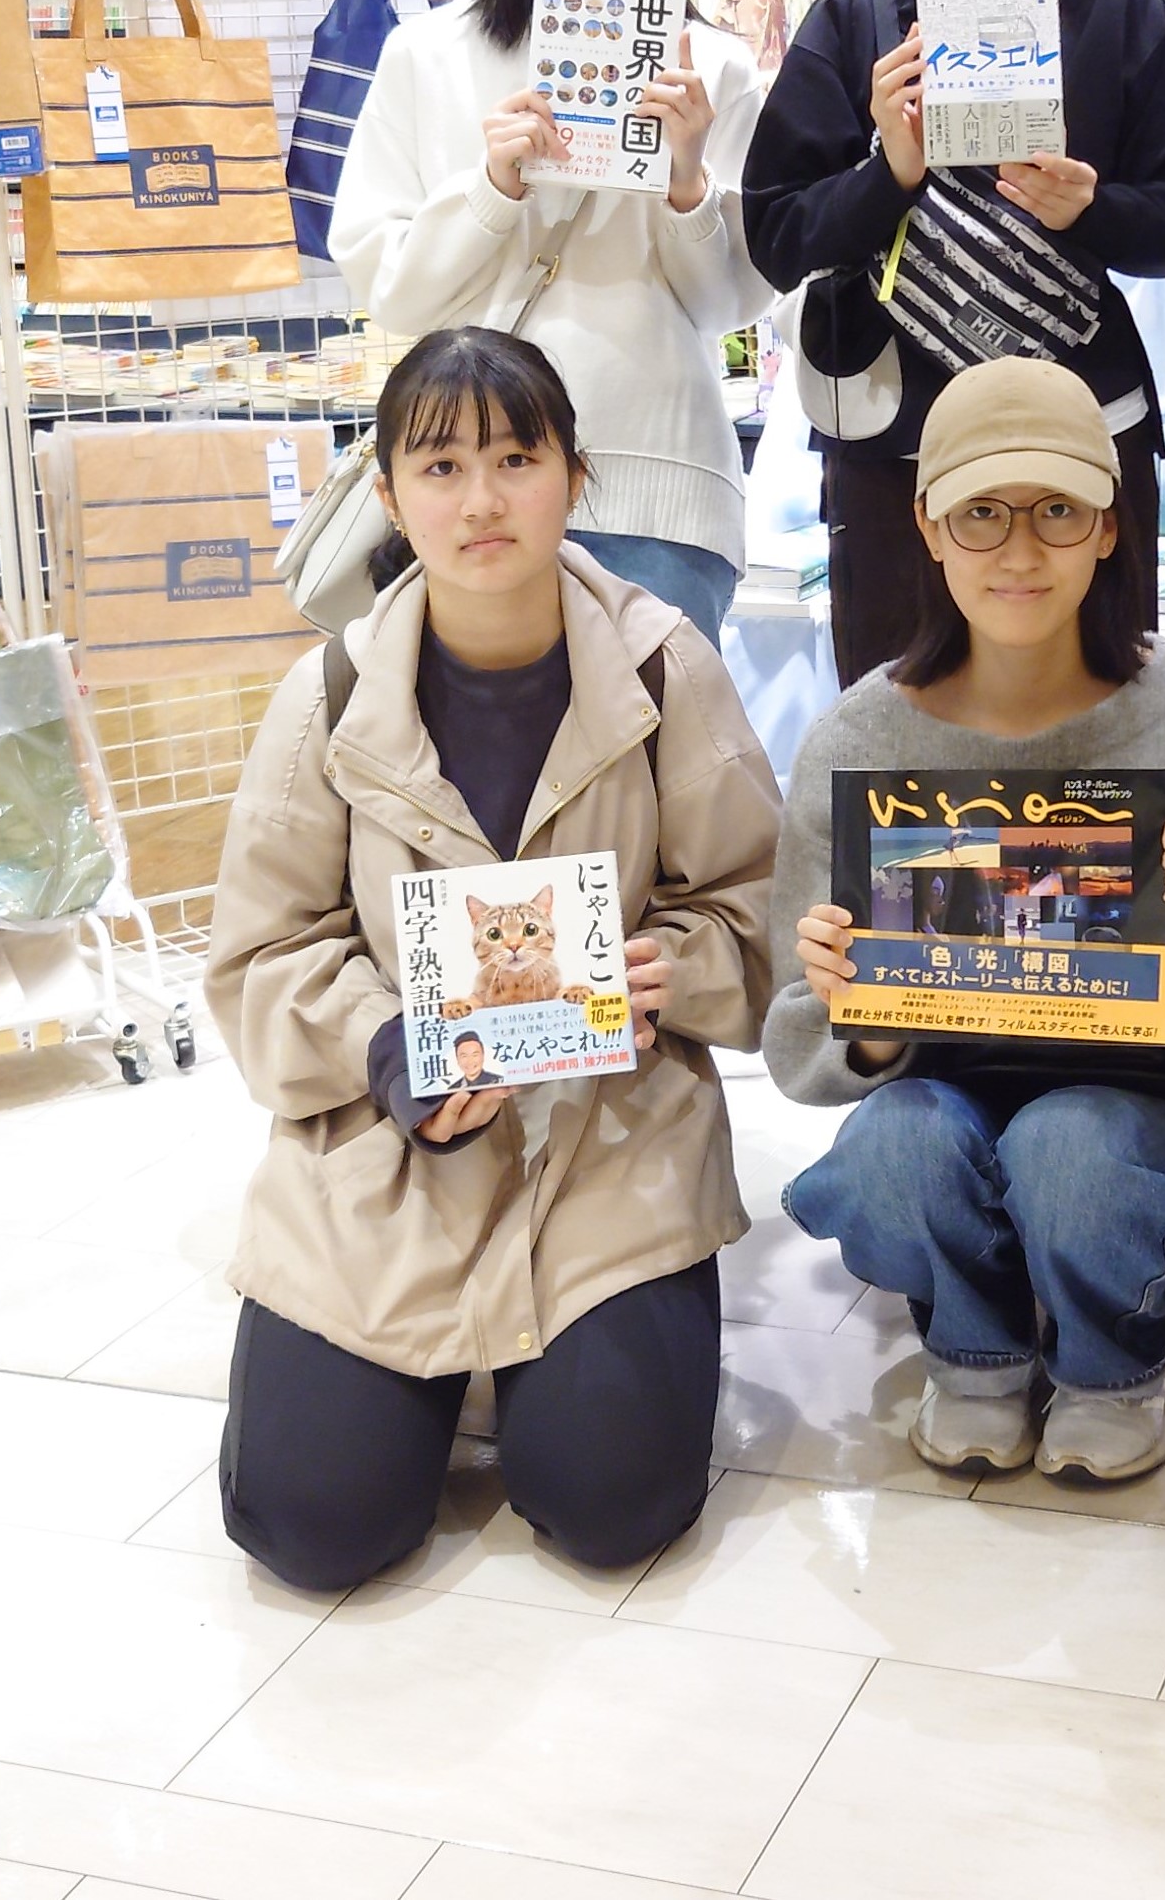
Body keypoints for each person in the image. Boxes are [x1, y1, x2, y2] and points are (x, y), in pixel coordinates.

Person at [206, 328, 786, 1591]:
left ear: (576, 476)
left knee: (609, 1508)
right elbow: (260, 954)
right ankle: (443, 1373)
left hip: (608, 1140)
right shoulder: (328, 692)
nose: (481, 501)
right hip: (384, 1151)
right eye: (441, 466)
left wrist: (672, 971)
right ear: (387, 492)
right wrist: (383, 1045)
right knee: (315, 1528)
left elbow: (756, 907)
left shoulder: (664, 666)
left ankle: (537, 1371)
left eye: (517, 459)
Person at [763, 359, 1165, 1485]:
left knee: (1069, 1146)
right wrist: (856, 1013)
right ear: (928, 527)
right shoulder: (858, 739)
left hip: (1144, 1122)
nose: (1019, 551)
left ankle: (1115, 1361)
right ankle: (973, 1351)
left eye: (1057, 511)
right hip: (939, 1100)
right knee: (896, 1146)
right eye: (981, 513)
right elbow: (796, 1031)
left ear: (1109, 527)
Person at [742, 0, 1165, 690]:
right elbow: (778, 235)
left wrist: (1090, 208)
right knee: (904, 720)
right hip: (894, 443)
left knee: (1101, 715)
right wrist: (889, 172)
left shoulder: (1120, 12)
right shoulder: (853, 23)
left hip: (1083, 427)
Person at [330, 0, 772, 654]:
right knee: (479, 739)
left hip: (657, 483)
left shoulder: (716, 67)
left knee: (660, 735)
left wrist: (686, 181)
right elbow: (391, 289)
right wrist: (491, 190)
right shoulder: (428, 53)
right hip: (474, 483)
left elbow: (728, 307)